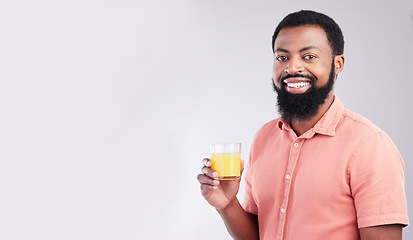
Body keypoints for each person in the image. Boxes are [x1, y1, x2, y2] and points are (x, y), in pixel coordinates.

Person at [197, 10, 409, 240]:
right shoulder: (263, 138)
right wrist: (227, 205)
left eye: (308, 56)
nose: (292, 68)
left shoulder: (370, 146)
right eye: (282, 57)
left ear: (337, 64)